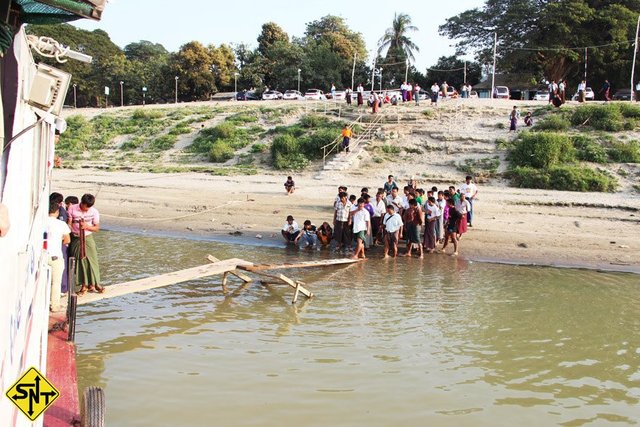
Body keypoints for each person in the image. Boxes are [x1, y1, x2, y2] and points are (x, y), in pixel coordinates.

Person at [67, 193, 103, 295]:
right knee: (79, 261)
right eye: (85, 207)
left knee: (92, 260)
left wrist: (87, 226)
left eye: (88, 207)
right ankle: (84, 285)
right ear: (81, 203)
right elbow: (69, 222)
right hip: (76, 238)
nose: (86, 209)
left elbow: (96, 228)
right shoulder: (72, 208)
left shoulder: (94, 212)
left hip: (88, 237)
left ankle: (96, 283)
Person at [47, 200, 71, 311]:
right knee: (56, 283)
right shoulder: (61, 224)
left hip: (43, 256)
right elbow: (67, 240)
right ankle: (54, 306)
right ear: (57, 212)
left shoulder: (41, 222)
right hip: (56, 256)